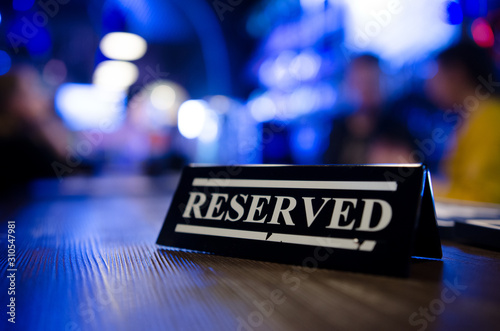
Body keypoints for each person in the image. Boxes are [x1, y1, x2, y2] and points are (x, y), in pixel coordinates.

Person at [426, 42, 500, 204]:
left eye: (436, 76)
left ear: (456, 75)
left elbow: (481, 199)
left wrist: (420, 187)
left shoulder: (489, 119)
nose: (429, 85)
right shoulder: (473, 117)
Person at [0, 65, 69, 193]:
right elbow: (60, 173)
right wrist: (45, 122)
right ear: (13, 101)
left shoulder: (25, 138)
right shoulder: (16, 146)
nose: (43, 96)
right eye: (34, 89)